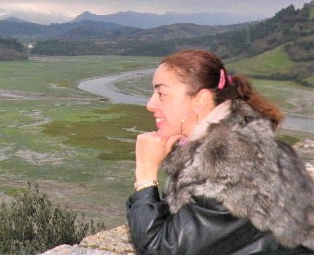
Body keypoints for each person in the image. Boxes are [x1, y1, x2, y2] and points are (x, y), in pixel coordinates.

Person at [126, 49, 314, 255]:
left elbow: (161, 248)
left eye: (161, 94)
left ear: (200, 100)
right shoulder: (233, 143)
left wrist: (146, 172)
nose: (150, 104)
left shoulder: (228, 166)